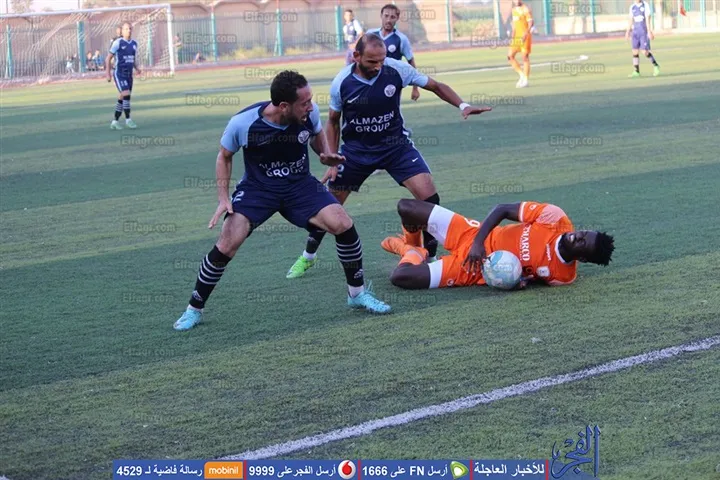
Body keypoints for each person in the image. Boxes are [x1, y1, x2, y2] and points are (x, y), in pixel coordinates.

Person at [172, 70, 392, 331]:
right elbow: (224, 156)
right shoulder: (243, 123)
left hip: (300, 186)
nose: (310, 106)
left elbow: (316, 134)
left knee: (343, 224)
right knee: (228, 242)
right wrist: (222, 197)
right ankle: (194, 309)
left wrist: (325, 155)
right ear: (284, 106)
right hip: (258, 189)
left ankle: (356, 294)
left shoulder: (309, 114)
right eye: (304, 102)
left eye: (310, 100)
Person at [285, 33, 492, 279]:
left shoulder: (396, 69)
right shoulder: (342, 82)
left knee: (429, 197)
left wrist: (463, 105)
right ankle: (308, 256)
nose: (378, 66)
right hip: (356, 152)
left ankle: (430, 257)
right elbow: (333, 121)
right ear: (356, 56)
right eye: (372, 61)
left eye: (382, 60)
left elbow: (436, 86)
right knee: (330, 206)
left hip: (396, 147)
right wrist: (331, 156)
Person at [381, 199, 614, 290]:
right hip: (474, 234)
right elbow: (501, 209)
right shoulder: (555, 217)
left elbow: (536, 278)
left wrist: (520, 282)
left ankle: (410, 252)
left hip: (473, 268)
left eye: (583, 242)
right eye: (584, 233)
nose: (579, 235)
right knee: (407, 208)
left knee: (401, 277)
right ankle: (415, 246)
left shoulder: (562, 277)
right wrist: (478, 243)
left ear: (582, 258)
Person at [366, 3, 420, 101]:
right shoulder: (370, 34)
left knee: (391, 107)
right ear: (381, 16)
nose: (388, 20)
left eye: (392, 17)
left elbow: (411, 61)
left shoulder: (401, 39)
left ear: (397, 18)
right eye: (386, 16)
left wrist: (415, 88)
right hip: (371, 79)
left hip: (392, 81)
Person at [106, 22, 140, 130]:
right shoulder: (118, 43)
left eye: (130, 28)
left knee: (122, 97)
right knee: (126, 94)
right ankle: (128, 120)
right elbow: (108, 58)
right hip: (119, 73)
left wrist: (137, 68)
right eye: (126, 29)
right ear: (122, 31)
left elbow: (132, 58)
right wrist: (108, 74)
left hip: (129, 75)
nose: (128, 30)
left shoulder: (134, 43)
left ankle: (115, 121)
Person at [625, 0, 660, 77]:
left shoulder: (645, 5)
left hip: (643, 32)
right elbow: (631, 20)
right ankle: (636, 71)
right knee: (634, 51)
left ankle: (656, 65)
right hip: (635, 32)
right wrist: (628, 31)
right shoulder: (632, 7)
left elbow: (648, 19)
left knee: (644, 51)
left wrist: (649, 31)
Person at [508, 0, 533, 88]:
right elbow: (514, 25)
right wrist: (512, 36)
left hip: (525, 36)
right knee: (510, 56)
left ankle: (525, 80)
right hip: (516, 37)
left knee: (525, 57)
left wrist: (526, 33)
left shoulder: (525, 9)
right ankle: (521, 75)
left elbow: (531, 22)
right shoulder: (513, 10)